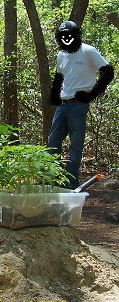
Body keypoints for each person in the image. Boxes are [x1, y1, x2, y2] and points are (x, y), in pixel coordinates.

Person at [48, 20, 114, 189]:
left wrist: (91, 95)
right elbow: (59, 77)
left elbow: (108, 72)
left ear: (77, 35)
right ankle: (55, 180)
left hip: (78, 105)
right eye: (62, 36)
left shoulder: (88, 51)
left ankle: (70, 185)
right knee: (53, 142)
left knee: (75, 145)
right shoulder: (61, 54)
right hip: (62, 105)